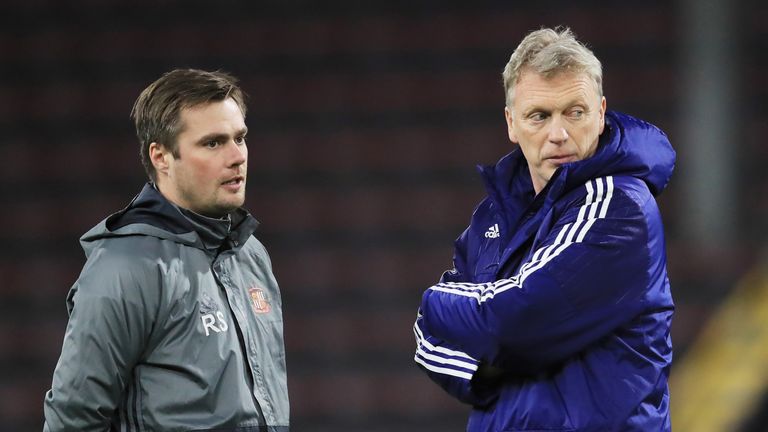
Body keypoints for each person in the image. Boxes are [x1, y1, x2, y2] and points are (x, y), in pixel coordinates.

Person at [413, 27, 675, 431]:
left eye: (575, 112)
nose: (559, 134)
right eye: (540, 115)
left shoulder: (619, 206)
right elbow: (429, 341)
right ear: (511, 124)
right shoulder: (492, 219)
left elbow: (514, 318)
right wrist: (487, 367)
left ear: (601, 113)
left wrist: (433, 301)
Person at [43, 69, 290, 431]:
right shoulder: (125, 267)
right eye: (213, 143)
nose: (237, 156)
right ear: (160, 157)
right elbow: (73, 419)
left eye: (240, 138)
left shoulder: (251, 254)